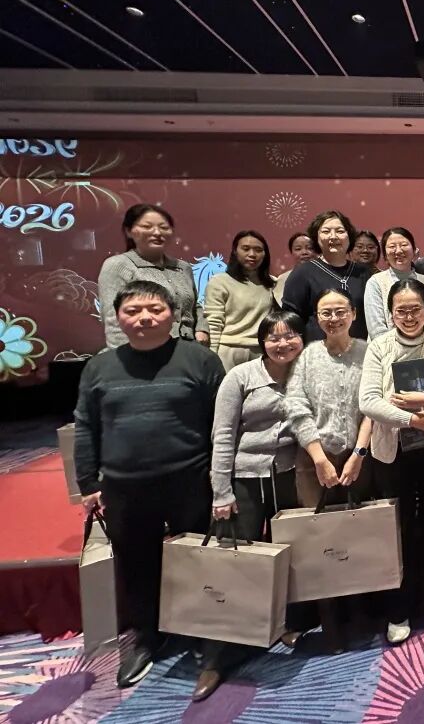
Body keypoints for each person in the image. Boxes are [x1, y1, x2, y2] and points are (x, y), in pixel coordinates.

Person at [73, 280, 225, 688]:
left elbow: (223, 424)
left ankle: (205, 633)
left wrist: (221, 476)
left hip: (191, 479)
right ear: (117, 317)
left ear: (172, 314)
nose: (144, 318)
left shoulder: (200, 359)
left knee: (199, 559)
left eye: (155, 309)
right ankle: (147, 636)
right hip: (124, 485)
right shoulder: (100, 367)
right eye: (133, 310)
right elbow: (85, 426)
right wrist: (87, 482)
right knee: (137, 564)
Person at [200, 309, 306, 701]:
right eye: (274, 337)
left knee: (290, 555)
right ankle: (216, 657)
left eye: (291, 335)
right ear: (262, 342)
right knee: (235, 563)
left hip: (289, 475)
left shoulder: (306, 373)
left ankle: (283, 624)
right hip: (245, 478)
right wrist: (221, 492)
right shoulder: (241, 377)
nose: (283, 343)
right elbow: (223, 435)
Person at [358, 278, 424, 643]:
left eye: (415, 309)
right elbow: (368, 401)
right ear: (390, 314)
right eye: (400, 310)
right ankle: (399, 608)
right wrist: (412, 419)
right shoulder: (379, 346)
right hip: (393, 451)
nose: (408, 316)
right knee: (398, 529)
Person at [284, 289, 372, 651]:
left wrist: (358, 454)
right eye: (325, 313)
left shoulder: (368, 352)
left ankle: (363, 617)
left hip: (359, 458)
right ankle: (330, 623)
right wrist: (319, 457)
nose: (333, 319)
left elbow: (373, 406)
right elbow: (295, 406)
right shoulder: (308, 356)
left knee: (360, 537)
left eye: (339, 311)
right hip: (314, 460)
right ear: (317, 318)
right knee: (320, 543)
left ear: (353, 314)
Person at [97, 203, 209, 349]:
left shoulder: (183, 267)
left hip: (187, 350)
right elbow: (113, 321)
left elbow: (194, 305)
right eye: (147, 226)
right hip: (145, 352)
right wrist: (126, 356)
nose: (157, 232)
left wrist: (202, 329)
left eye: (164, 227)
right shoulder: (118, 265)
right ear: (129, 231)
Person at [281, 210, 375, 342]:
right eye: (326, 231)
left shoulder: (363, 273)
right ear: (316, 237)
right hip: (317, 350)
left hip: (360, 349)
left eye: (340, 231)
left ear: (349, 236)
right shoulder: (302, 273)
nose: (333, 236)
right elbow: (290, 320)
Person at [204, 230, 277, 371]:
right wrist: (211, 357)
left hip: (261, 351)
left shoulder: (273, 284)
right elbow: (213, 322)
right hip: (228, 351)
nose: (252, 254)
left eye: (258, 250)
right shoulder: (220, 282)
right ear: (235, 252)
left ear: (265, 254)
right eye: (245, 249)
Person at [363, 227, 424, 339]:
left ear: (414, 250)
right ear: (385, 254)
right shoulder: (375, 282)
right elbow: (377, 331)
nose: (398, 251)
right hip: (385, 348)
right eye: (392, 246)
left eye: (404, 245)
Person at [273, 232, 315, 305]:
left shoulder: (325, 275)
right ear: (291, 252)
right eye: (298, 249)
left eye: (310, 248)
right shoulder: (283, 279)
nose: (304, 252)